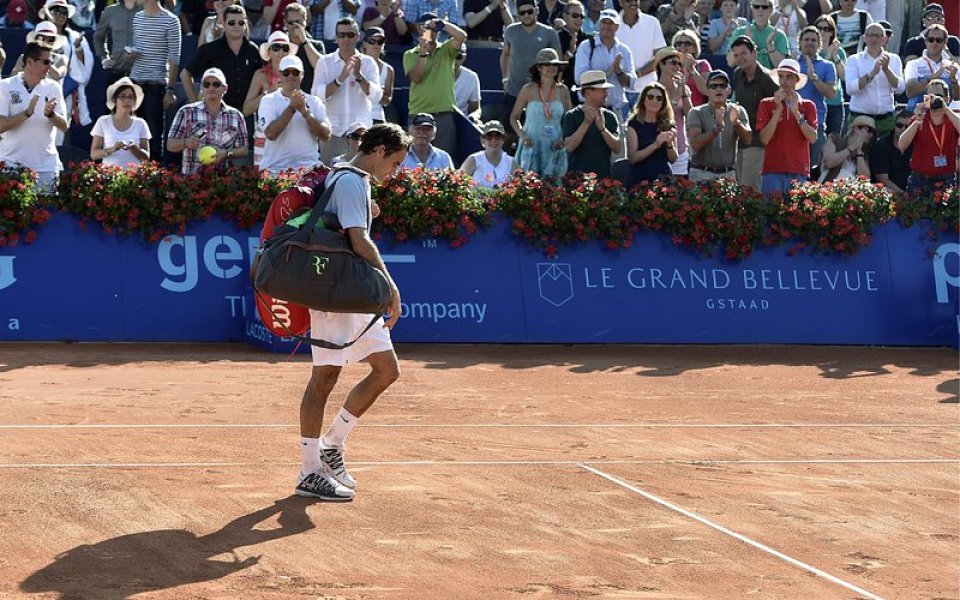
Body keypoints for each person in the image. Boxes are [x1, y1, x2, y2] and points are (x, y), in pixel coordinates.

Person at [295, 122, 411, 502]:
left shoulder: (355, 181)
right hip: (334, 292)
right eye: (394, 163)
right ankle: (308, 471)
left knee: (386, 369)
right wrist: (390, 284)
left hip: (353, 291)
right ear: (377, 152)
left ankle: (332, 444)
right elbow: (359, 241)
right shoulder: (349, 181)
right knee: (324, 378)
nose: (394, 172)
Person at [0, 41, 68, 193]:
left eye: (51, 61)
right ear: (29, 62)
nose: (50, 66)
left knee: (47, 215)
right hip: (11, 166)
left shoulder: (53, 87)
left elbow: (64, 126)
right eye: (46, 62)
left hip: (46, 168)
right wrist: (26, 114)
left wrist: (51, 115)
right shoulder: (5, 86)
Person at [313, 17, 381, 163]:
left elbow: (376, 97)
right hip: (333, 135)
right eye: (341, 35)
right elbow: (317, 96)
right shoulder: (325, 62)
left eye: (350, 35)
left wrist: (358, 75)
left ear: (357, 36)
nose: (345, 39)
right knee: (329, 181)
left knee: (363, 179)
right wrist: (340, 79)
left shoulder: (368, 63)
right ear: (336, 37)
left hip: (362, 135)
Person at [402, 13, 467, 155]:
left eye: (431, 28)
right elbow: (416, 77)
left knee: (444, 159)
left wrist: (442, 23)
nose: (428, 31)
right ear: (419, 29)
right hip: (418, 114)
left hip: (443, 114)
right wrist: (423, 54)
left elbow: (461, 37)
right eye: (424, 27)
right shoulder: (410, 54)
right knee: (414, 158)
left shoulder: (446, 49)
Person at [258, 55, 332, 175]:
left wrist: (306, 113)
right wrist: (292, 108)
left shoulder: (315, 101)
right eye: (286, 72)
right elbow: (270, 134)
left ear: (302, 76)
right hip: (276, 171)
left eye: (295, 72)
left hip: (309, 170)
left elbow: (326, 135)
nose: (291, 76)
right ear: (280, 75)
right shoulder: (268, 100)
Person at [167, 67, 249, 174]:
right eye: (206, 84)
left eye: (216, 84)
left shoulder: (236, 116)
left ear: (225, 88)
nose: (211, 87)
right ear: (202, 88)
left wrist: (226, 153)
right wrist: (186, 142)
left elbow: (244, 150)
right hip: (191, 181)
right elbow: (170, 145)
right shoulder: (186, 111)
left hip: (222, 182)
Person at [182, 5, 263, 112]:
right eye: (231, 22)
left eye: (241, 22)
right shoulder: (211, 49)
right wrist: (196, 105)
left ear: (246, 25)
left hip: (246, 114)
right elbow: (185, 74)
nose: (236, 26)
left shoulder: (253, 50)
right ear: (223, 24)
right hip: (216, 113)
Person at [129, 0, 182, 164]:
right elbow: (138, 48)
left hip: (156, 85)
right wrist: (131, 56)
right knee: (132, 133)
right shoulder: (137, 17)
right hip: (134, 83)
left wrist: (170, 90)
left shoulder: (171, 20)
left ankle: (153, 179)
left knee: (153, 135)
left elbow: (174, 59)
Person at [756, 58, 818, 194]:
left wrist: (796, 113)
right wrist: (777, 111)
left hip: (799, 171)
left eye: (789, 76)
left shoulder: (808, 106)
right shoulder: (766, 104)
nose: (784, 81)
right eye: (781, 76)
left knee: (796, 215)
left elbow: (813, 138)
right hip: (773, 170)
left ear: (797, 80)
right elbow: (765, 139)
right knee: (770, 214)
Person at [501, 0, 562, 135]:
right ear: (518, 14)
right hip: (514, 90)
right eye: (522, 13)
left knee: (540, 133)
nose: (526, 15)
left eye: (530, 11)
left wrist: (554, 85)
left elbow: (558, 62)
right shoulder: (510, 31)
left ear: (537, 10)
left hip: (541, 94)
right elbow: (505, 54)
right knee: (508, 134)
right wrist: (505, 79)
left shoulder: (550, 33)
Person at [509, 48, 571, 178]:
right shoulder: (528, 89)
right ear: (539, 68)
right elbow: (514, 118)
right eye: (547, 64)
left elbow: (570, 119)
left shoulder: (563, 90)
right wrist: (523, 135)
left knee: (554, 188)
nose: (551, 67)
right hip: (531, 143)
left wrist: (564, 139)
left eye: (555, 64)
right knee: (527, 186)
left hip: (555, 144)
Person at [244, 30, 298, 167]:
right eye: (276, 47)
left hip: (290, 134)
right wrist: (269, 92)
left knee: (289, 182)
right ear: (269, 52)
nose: (280, 52)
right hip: (265, 136)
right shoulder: (260, 75)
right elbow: (246, 109)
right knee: (263, 182)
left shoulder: (296, 74)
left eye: (285, 48)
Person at [730, 35, 777, 190]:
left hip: (758, 143)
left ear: (754, 53)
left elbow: (779, 108)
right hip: (740, 140)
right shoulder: (737, 74)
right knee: (740, 189)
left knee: (750, 190)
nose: (740, 58)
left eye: (743, 53)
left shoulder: (768, 78)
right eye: (736, 55)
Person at [686, 69, 751, 181]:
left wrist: (737, 123)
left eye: (723, 85)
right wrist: (716, 130)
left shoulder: (738, 111)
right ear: (707, 90)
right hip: (701, 173)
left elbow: (748, 140)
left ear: (729, 90)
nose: (718, 89)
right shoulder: (696, 112)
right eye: (713, 86)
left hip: (728, 174)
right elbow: (695, 144)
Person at [897, 80, 960, 192]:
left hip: (946, 180)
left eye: (939, 96)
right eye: (931, 96)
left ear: (947, 99)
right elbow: (901, 145)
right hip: (920, 180)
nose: (934, 99)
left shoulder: (953, 119)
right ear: (925, 99)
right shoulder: (919, 119)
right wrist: (917, 121)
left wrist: (946, 108)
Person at [574, 9, 637, 119]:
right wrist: (608, 72)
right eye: (604, 22)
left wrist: (618, 71)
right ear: (599, 24)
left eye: (611, 23)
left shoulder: (624, 50)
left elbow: (631, 83)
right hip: (590, 110)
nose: (607, 26)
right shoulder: (586, 46)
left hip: (616, 110)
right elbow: (580, 78)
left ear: (617, 27)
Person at [845, 22, 904, 137]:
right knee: (859, 154)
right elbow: (850, 89)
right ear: (864, 38)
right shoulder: (854, 60)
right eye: (870, 35)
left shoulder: (894, 59)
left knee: (885, 154)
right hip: (860, 119)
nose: (874, 39)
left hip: (886, 119)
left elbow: (900, 88)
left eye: (878, 36)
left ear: (884, 39)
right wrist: (871, 74)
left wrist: (886, 70)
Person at [563, 69, 622, 177]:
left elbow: (617, 148)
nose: (607, 94)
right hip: (576, 181)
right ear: (589, 92)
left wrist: (603, 129)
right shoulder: (571, 116)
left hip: (604, 181)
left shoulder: (610, 116)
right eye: (603, 90)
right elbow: (569, 147)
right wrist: (586, 123)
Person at [796, 25, 837, 179]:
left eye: (814, 40)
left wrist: (814, 77)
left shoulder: (827, 66)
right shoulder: (792, 64)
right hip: (793, 121)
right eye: (806, 39)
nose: (809, 42)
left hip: (816, 123)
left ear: (820, 44)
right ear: (799, 42)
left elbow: (832, 94)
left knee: (812, 171)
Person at [616, 0, 666, 110]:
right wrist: (622, 76)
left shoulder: (652, 22)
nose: (633, 2)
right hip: (618, 91)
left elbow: (660, 56)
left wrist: (636, 75)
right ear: (620, 2)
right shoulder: (612, 23)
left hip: (647, 91)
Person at [90, 76, 152, 166]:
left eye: (130, 97)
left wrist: (135, 150)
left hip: (134, 176)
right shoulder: (103, 121)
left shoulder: (140, 123)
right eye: (122, 96)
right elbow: (94, 154)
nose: (127, 100)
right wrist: (113, 149)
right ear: (114, 100)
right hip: (110, 176)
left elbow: (146, 157)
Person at [625, 81, 677, 184]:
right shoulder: (634, 124)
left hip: (663, 178)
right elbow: (633, 158)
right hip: (640, 179)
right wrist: (655, 145)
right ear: (643, 100)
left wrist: (669, 144)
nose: (654, 101)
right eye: (650, 97)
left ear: (663, 103)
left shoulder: (668, 124)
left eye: (659, 98)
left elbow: (673, 159)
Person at [903, 24, 960, 112]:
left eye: (939, 40)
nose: (934, 43)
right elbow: (910, 92)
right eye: (931, 39)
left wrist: (953, 80)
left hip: (944, 116)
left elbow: (957, 97)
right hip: (918, 115)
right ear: (925, 41)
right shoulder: (913, 64)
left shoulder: (953, 66)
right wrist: (931, 78)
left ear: (945, 42)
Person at [654, 46, 691, 176]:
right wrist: (676, 96)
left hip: (680, 150)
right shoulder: (653, 92)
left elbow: (690, 116)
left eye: (679, 64)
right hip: (659, 151)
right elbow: (664, 116)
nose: (677, 67)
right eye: (673, 63)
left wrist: (683, 93)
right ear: (661, 65)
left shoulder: (683, 88)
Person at [727, 0, 789, 69]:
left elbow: (781, 66)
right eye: (756, 7)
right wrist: (745, 42)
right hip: (744, 77)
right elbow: (730, 63)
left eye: (764, 7)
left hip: (770, 78)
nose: (760, 10)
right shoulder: (739, 32)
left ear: (771, 10)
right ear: (752, 9)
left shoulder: (779, 35)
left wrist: (770, 44)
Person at [93, 0, 142, 87]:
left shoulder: (147, 11)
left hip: (142, 75)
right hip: (116, 72)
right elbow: (98, 37)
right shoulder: (110, 11)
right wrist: (104, 58)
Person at [814, 15, 846, 136]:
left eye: (826, 29)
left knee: (833, 142)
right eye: (819, 28)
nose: (822, 32)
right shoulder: (811, 50)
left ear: (832, 32)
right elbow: (818, 74)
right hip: (816, 102)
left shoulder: (839, 51)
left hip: (835, 104)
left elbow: (844, 77)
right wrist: (827, 55)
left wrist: (836, 56)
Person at [284, 3, 326, 93]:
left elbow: (321, 67)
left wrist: (304, 41)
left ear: (305, 22)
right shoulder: (280, 45)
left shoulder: (316, 45)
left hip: (310, 97)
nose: (295, 26)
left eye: (298, 22)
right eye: (291, 22)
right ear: (285, 23)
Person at [868, 109, 912, 196]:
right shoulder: (881, 145)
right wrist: (903, 194)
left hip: (914, 190)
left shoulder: (918, 144)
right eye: (899, 125)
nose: (903, 129)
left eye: (908, 127)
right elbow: (882, 179)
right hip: (888, 191)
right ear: (894, 125)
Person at [460, 120, 517, 187]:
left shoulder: (511, 163)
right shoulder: (473, 160)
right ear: (482, 140)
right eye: (489, 138)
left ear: (503, 139)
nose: (493, 141)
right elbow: (459, 182)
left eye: (497, 138)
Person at [557, 1, 593, 105]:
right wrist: (570, 52)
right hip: (563, 93)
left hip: (585, 94)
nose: (579, 20)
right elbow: (555, 69)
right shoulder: (556, 38)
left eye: (582, 16)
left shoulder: (589, 40)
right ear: (565, 16)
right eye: (575, 16)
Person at [819, 114, 874, 182]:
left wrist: (859, 153)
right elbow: (829, 163)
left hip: (851, 190)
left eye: (873, 133)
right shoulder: (835, 139)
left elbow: (865, 178)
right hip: (828, 186)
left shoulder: (864, 152)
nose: (871, 135)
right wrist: (852, 148)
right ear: (856, 129)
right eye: (869, 130)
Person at [360, 27, 395, 124]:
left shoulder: (388, 70)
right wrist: (376, 92)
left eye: (380, 41)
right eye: (372, 41)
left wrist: (376, 94)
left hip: (377, 118)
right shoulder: (355, 64)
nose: (376, 44)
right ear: (364, 43)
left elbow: (387, 101)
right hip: (357, 118)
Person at [673, 29, 709, 106]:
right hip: (677, 112)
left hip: (699, 112)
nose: (682, 46)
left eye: (687, 43)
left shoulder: (702, 64)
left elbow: (707, 91)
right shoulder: (671, 67)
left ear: (694, 48)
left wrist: (692, 70)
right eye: (679, 44)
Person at [453, 49, 481, 121]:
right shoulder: (435, 74)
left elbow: (476, 109)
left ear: (464, 58)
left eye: (458, 57)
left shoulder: (472, 77)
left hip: (462, 121)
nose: (453, 60)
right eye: (449, 55)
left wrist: (473, 117)